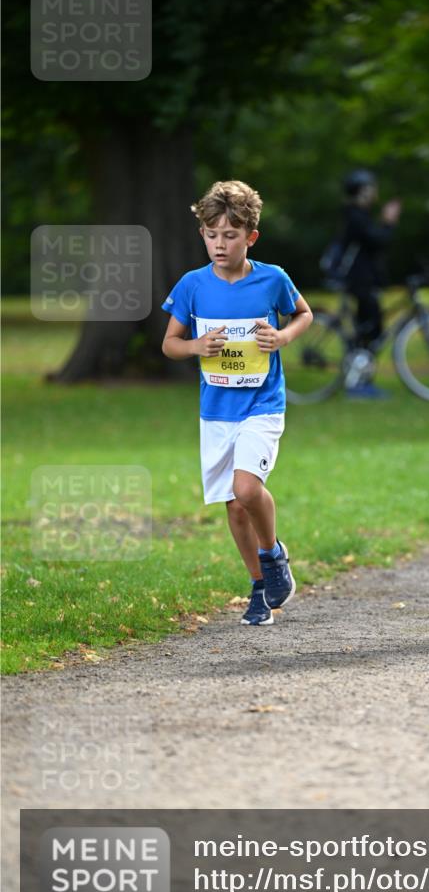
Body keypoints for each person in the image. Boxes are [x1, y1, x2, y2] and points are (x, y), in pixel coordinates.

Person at [161, 180, 312, 625]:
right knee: (233, 505)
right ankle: (260, 586)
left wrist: (282, 336)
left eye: (230, 235)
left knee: (246, 490)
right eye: (211, 235)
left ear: (251, 237)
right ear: (202, 234)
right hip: (216, 412)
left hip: (262, 404)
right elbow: (170, 343)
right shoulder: (192, 285)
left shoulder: (272, 279)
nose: (219, 244)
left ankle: (273, 554)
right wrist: (195, 346)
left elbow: (304, 314)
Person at [340, 169, 401, 399]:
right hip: (359, 281)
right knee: (369, 330)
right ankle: (358, 383)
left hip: (363, 280)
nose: (375, 191)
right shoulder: (355, 216)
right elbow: (377, 240)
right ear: (362, 191)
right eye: (371, 187)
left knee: (369, 330)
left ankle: (360, 379)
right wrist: (388, 222)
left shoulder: (358, 215)